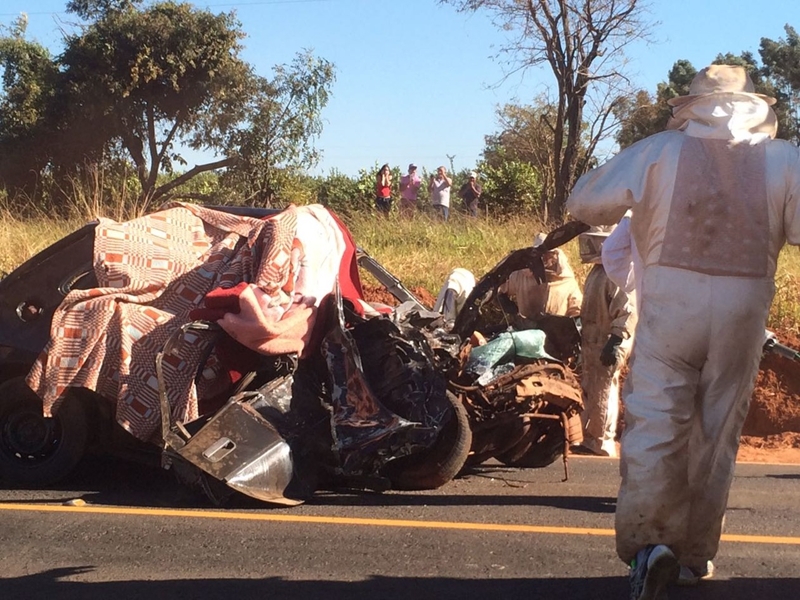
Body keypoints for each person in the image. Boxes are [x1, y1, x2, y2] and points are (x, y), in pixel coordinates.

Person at [566, 64, 800, 600]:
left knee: (655, 424)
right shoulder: (785, 158)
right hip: (744, 311)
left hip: (672, 308)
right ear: (753, 103)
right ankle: (696, 556)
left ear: (690, 104)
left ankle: (652, 546)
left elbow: (585, 202)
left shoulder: (660, 150)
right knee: (717, 433)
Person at [573, 226, 636, 459]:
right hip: (592, 340)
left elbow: (628, 310)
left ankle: (603, 443)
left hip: (610, 340)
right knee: (590, 388)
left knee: (605, 389)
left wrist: (616, 339)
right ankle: (590, 439)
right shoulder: (598, 272)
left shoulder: (618, 272)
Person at [497, 233, 582, 319]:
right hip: (526, 329)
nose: (543, 257)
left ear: (555, 255)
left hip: (555, 330)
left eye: (547, 253)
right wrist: (514, 312)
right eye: (539, 254)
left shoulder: (567, 280)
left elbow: (577, 309)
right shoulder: (522, 275)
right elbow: (498, 291)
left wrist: (570, 325)